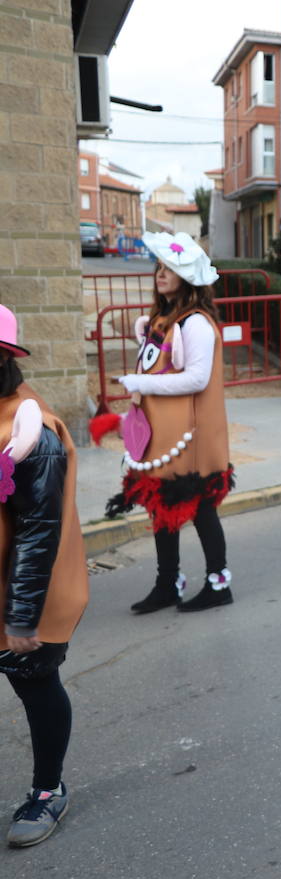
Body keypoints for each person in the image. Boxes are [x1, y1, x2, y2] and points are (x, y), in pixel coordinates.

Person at [104, 232, 235, 613]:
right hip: (163, 433)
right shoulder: (167, 318)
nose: (161, 274)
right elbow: (159, 361)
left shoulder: (196, 323)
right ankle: (167, 582)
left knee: (200, 506)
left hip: (190, 437)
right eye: (159, 267)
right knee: (161, 503)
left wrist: (140, 382)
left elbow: (196, 378)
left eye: (170, 268)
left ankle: (218, 582)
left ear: (187, 276)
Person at [0, 305, 88, 848]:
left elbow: (37, 529)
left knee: (33, 684)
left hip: (19, 592)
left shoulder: (34, 428)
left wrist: (21, 614)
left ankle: (48, 788)